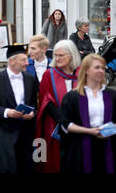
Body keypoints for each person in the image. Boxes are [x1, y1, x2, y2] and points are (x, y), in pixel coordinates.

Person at [0, 44, 38, 173]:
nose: (27, 63)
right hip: (2, 132)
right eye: (23, 60)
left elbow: (35, 103)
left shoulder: (30, 79)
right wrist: (7, 112)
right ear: (12, 61)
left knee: (25, 166)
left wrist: (32, 113)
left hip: (25, 132)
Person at [60, 53, 116, 173]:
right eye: (97, 67)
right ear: (86, 70)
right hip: (80, 147)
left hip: (108, 145)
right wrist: (89, 131)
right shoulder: (72, 97)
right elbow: (65, 124)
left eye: (103, 68)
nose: (101, 71)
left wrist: (109, 130)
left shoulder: (112, 95)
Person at [35, 39, 82, 173]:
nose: (57, 58)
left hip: (79, 124)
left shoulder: (82, 74)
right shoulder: (49, 74)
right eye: (55, 55)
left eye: (61, 55)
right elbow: (45, 101)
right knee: (54, 161)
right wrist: (63, 120)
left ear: (71, 55)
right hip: (54, 125)